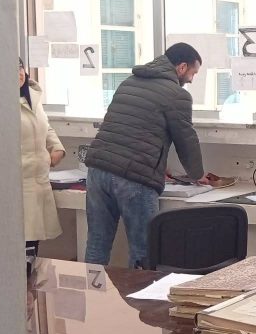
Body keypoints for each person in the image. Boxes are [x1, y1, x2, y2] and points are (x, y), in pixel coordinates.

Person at [83, 43, 205, 268]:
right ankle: (141, 292)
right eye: (193, 73)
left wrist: (158, 164)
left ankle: (91, 291)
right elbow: (186, 138)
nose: (191, 79)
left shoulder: (129, 82)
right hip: (133, 178)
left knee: (97, 244)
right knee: (144, 251)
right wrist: (197, 174)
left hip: (98, 171)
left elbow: (132, 129)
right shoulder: (177, 95)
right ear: (182, 67)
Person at [19, 57, 65, 268]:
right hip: (21, 183)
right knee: (22, 247)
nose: (19, 73)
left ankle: (30, 287)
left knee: (33, 247)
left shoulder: (32, 96)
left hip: (39, 180)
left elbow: (45, 126)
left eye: (20, 67)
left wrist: (57, 147)